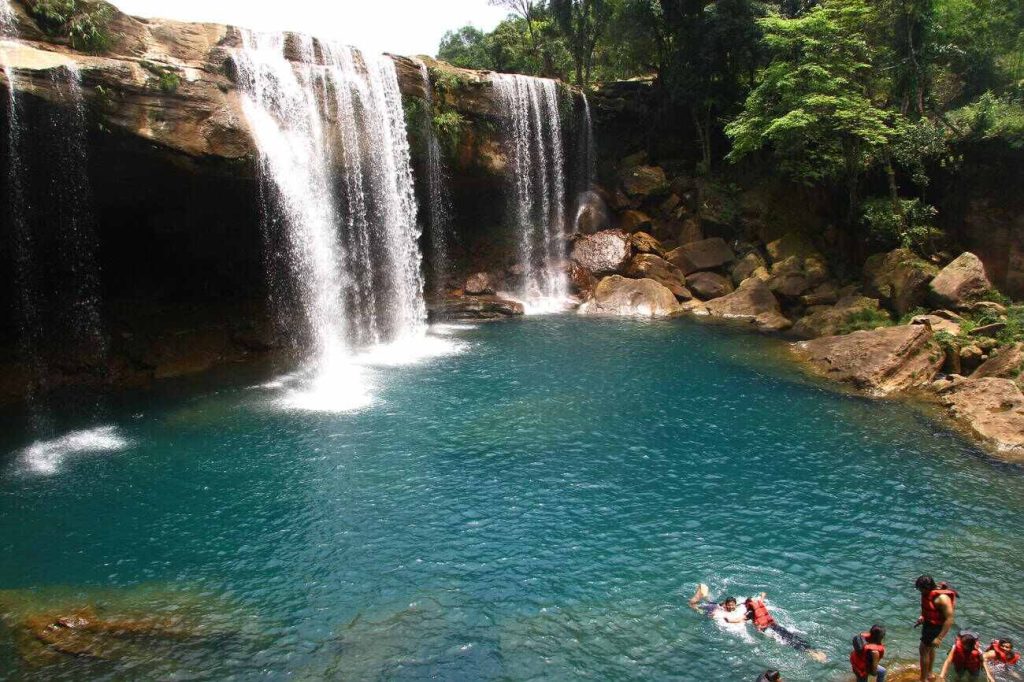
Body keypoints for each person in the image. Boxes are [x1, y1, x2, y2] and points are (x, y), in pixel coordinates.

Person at [745, 593, 828, 663]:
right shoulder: (759, 606)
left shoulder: (750, 612)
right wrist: (763, 595)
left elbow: (740, 619)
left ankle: (812, 654)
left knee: (789, 641)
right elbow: (761, 600)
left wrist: (732, 620)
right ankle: (815, 651)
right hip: (775, 626)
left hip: (769, 630)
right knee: (792, 636)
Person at [916, 575, 958, 682]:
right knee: (930, 649)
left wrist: (939, 638)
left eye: (920, 589)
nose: (919, 591)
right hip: (928, 624)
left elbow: (949, 619)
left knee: (923, 650)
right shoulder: (928, 593)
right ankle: (929, 674)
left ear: (927, 587)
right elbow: (928, 607)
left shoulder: (942, 599)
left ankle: (923, 679)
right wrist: (922, 616)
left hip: (936, 627)